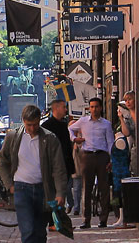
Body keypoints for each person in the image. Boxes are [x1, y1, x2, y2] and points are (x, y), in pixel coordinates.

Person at [0, 105, 69, 243]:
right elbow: (3, 161)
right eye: (29, 125)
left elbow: (59, 168)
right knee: (28, 229)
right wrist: (10, 185)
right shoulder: (13, 137)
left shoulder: (50, 139)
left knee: (40, 232)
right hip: (21, 189)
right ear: (23, 122)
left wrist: (60, 193)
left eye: (35, 124)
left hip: (43, 190)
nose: (32, 129)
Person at [69, 97, 115, 228]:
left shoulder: (106, 124)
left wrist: (111, 159)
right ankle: (86, 220)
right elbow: (70, 129)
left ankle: (103, 219)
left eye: (96, 107)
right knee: (86, 188)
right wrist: (75, 139)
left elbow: (110, 142)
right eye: (92, 107)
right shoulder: (83, 121)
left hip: (101, 156)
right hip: (87, 156)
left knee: (104, 189)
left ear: (101, 108)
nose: (94, 109)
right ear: (89, 108)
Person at [42, 99, 76, 216]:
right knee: (54, 193)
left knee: (62, 193)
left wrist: (71, 166)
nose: (66, 110)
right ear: (56, 108)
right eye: (63, 107)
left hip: (64, 165)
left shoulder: (63, 125)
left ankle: (59, 219)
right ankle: (54, 219)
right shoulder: (47, 126)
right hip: (52, 165)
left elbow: (67, 147)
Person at [109, 107, 133, 228]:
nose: (118, 111)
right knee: (117, 195)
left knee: (121, 195)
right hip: (117, 172)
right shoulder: (118, 139)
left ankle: (124, 218)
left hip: (121, 172)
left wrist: (121, 119)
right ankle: (120, 216)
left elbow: (126, 132)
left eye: (120, 109)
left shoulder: (122, 139)